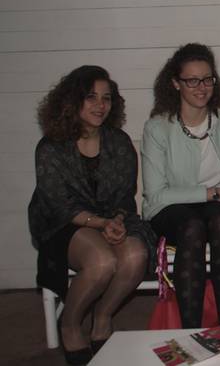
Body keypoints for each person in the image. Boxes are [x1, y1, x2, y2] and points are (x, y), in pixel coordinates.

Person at [28, 66, 154, 365]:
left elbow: (125, 194)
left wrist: (117, 220)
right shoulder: (51, 146)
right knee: (102, 261)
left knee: (135, 255)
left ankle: (102, 317)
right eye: (91, 97)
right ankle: (70, 324)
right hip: (63, 223)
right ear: (72, 101)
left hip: (112, 217)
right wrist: (101, 223)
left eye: (106, 98)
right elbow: (58, 205)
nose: (100, 105)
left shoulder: (119, 142)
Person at [141, 43, 220, 329]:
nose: (202, 87)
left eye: (208, 79)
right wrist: (211, 193)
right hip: (171, 207)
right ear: (176, 83)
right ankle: (191, 331)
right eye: (192, 81)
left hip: (215, 206)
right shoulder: (157, 127)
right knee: (192, 226)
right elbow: (156, 195)